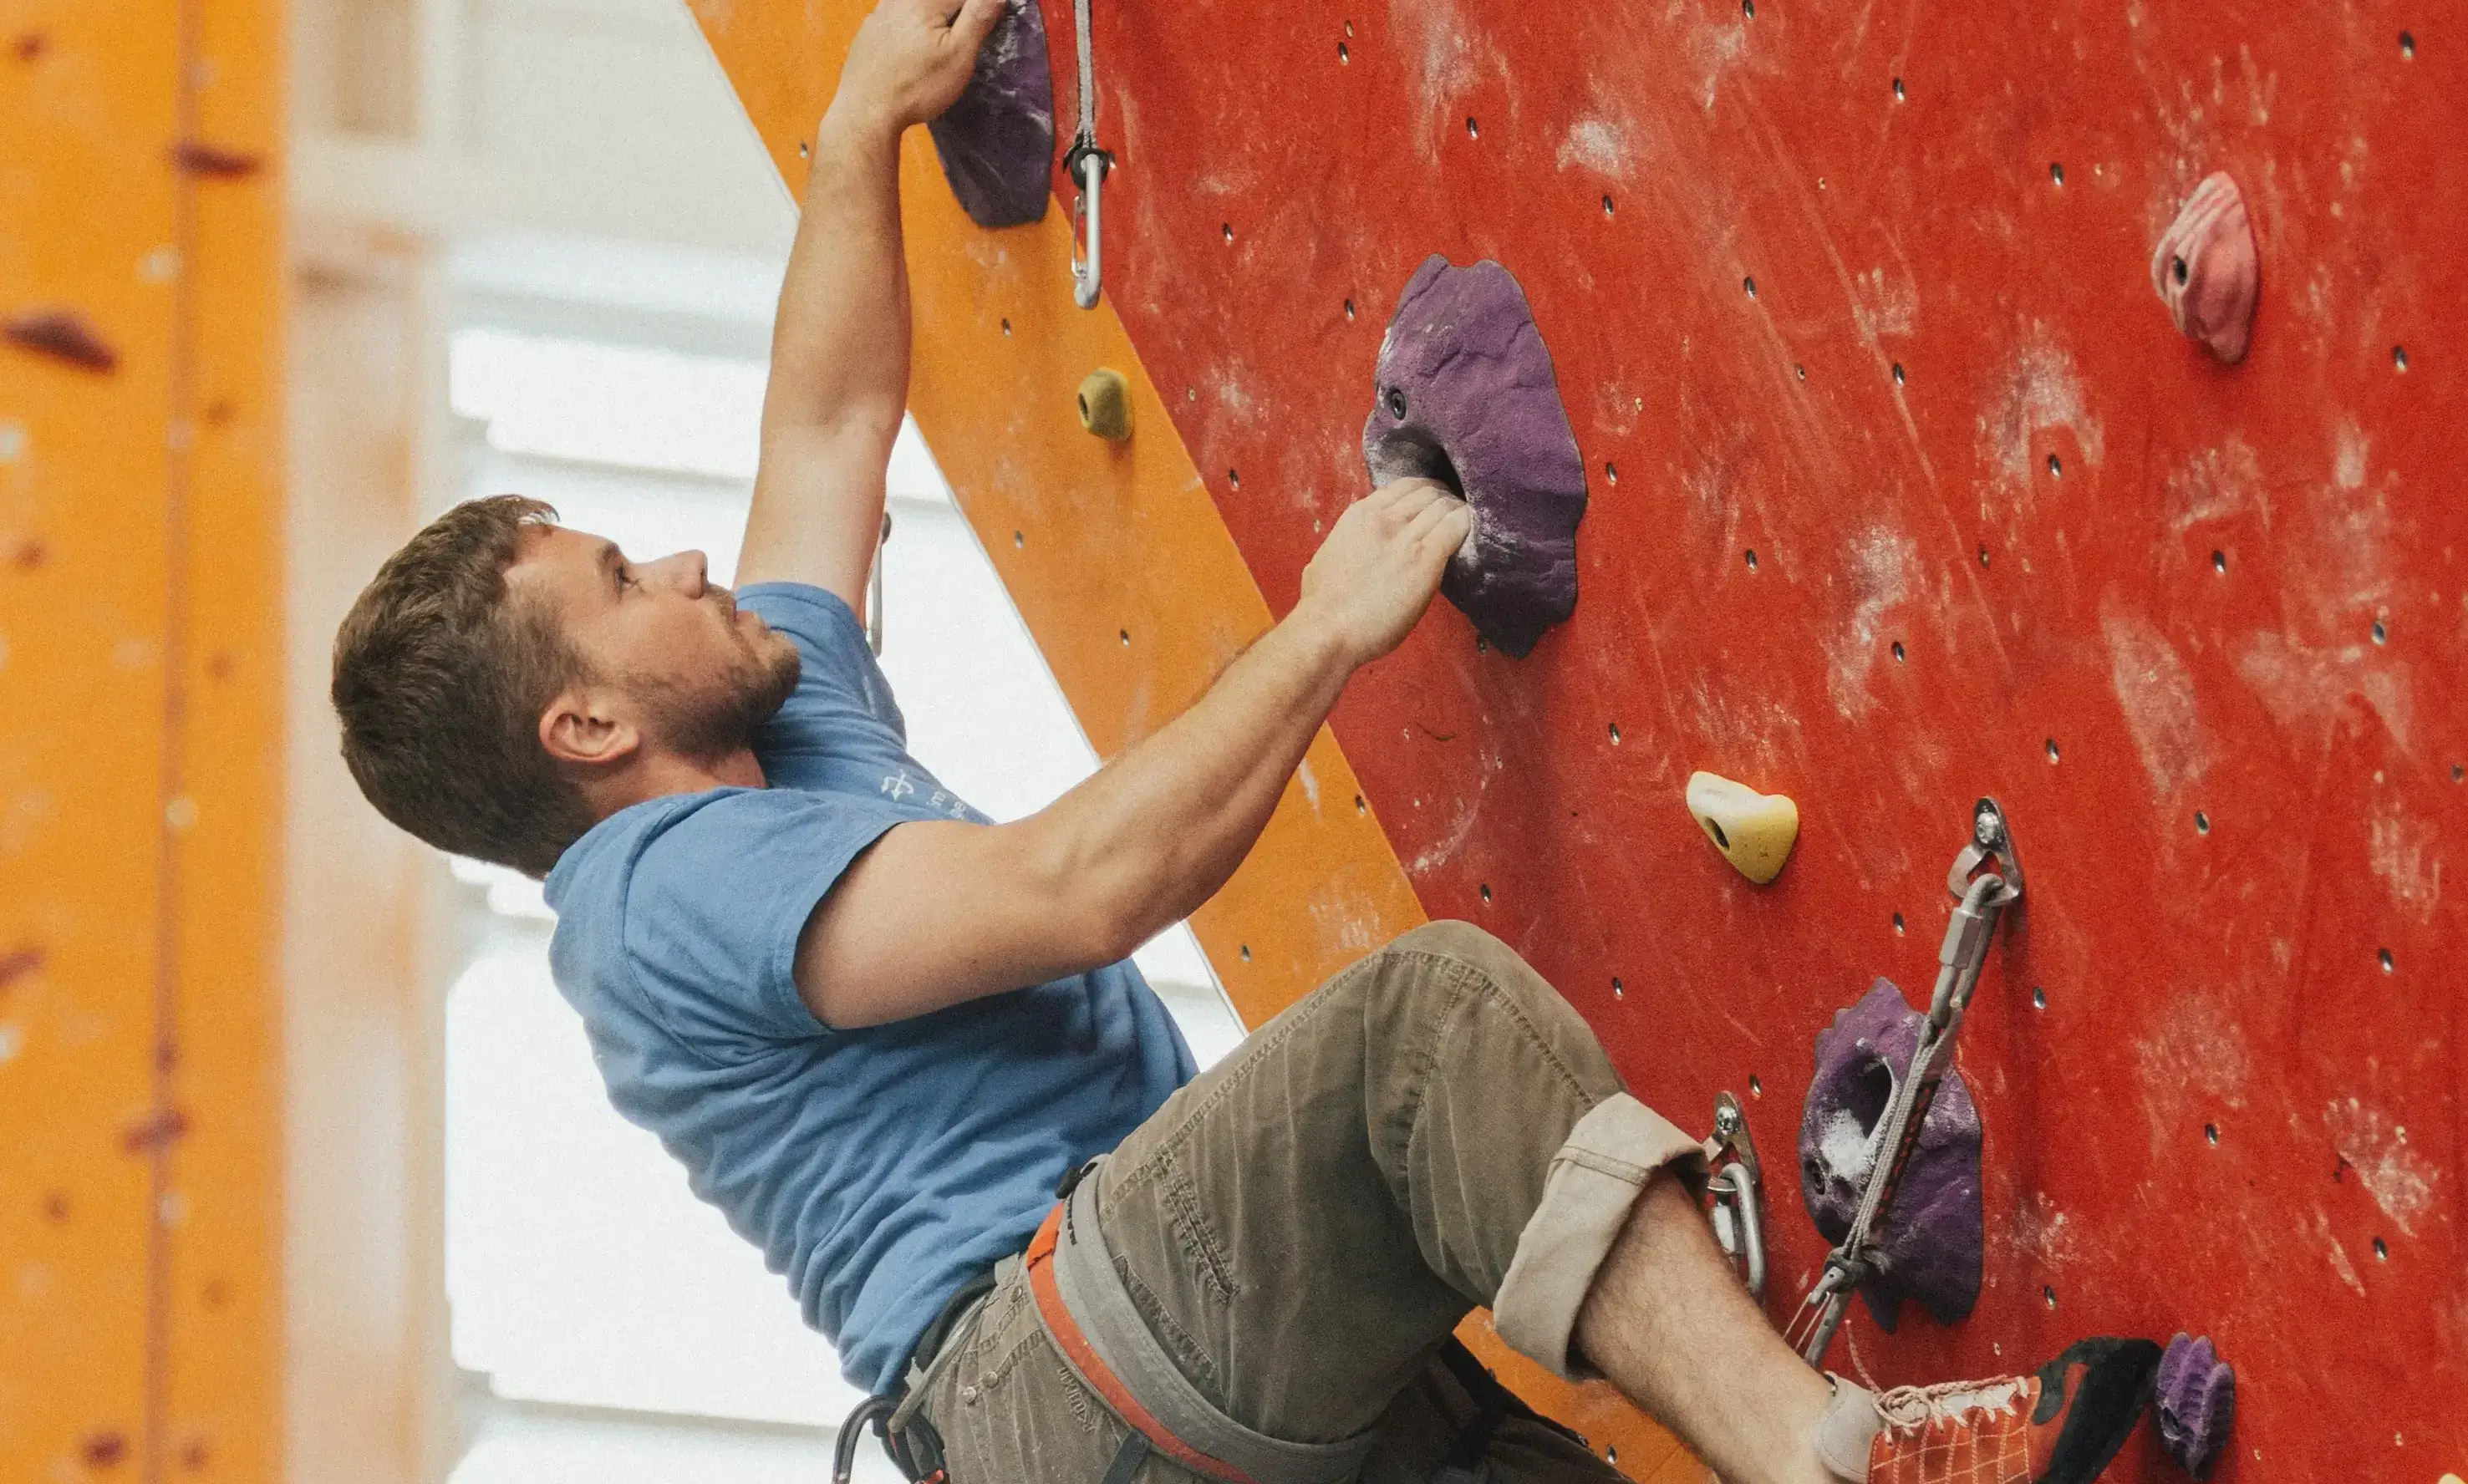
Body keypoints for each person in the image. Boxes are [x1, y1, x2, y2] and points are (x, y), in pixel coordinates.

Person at [329, 0, 2161, 1479]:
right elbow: (1081, 885)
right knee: (1420, 1041)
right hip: (1054, 1379)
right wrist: (1331, 627)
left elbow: (826, 429)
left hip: (1160, 1368)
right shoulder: (652, 894)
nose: (676, 558)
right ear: (584, 724)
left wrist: (859, 126)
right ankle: (1838, 1464)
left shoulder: (766, 732)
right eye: (616, 575)